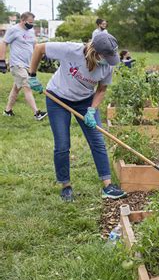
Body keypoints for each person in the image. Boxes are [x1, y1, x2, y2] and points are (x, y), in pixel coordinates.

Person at [27, 32, 127, 202]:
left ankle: (108, 186)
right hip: (57, 98)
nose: (109, 61)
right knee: (62, 144)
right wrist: (32, 76)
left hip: (85, 102)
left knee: (97, 140)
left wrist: (91, 110)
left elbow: (101, 90)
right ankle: (65, 186)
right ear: (95, 52)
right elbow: (39, 48)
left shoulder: (107, 65)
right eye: (106, 57)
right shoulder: (71, 50)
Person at [0, 11, 47, 120]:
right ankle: (37, 113)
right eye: (30, 22)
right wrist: (1, 60)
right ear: (22, 20)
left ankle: (7, 111)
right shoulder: (13, 30)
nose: (31, 24)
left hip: (28, 64)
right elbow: (4, 43)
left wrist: (42, 54)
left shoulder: (30, 31)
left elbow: (35, 44)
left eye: (33, 22)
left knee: (16, 88)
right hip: (17, 64)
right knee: (27, 85)